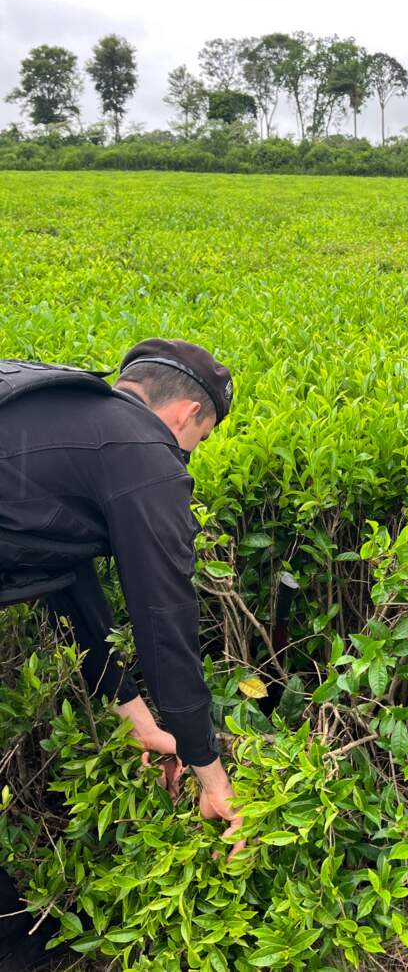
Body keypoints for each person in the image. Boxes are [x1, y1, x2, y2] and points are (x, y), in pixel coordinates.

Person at [0, 339, 242, 969]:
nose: (188, 458)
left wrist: (137, 716)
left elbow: (64, 579)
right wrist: (208, 768)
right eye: (203, 438)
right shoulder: (146, 453)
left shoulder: (66, 417)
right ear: (189, 414)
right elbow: (165, 618)